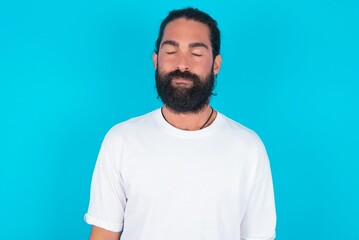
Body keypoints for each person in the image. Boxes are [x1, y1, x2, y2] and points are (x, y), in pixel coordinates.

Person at [84, 7, 276, 240]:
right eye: (171, 51)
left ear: (216, 64)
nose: (182, 64)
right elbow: (103, 234)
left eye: (196, 53)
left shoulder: (248, 148)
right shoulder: (121, 140)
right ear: (156, 60)